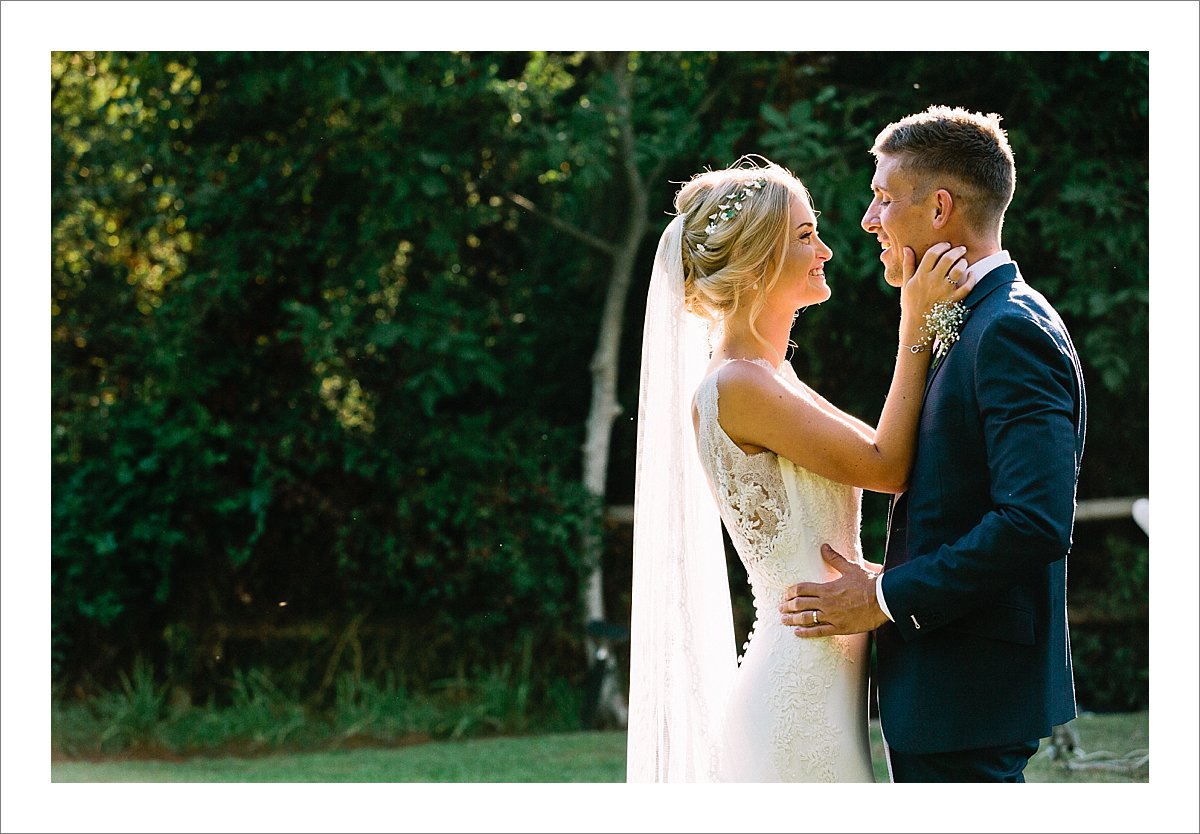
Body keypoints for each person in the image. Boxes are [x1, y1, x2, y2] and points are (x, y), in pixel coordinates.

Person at [625, 154, 975, 782]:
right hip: (795, 694)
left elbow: (877, 456)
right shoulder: (739, 385)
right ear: (758, 262)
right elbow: (887, 465)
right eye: (806, 235)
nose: (828, 252)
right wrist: (914, 326)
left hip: (822, 677)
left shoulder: (767, 376)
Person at [779, 106, 1087, 782]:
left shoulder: (1010, 329)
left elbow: (1033, 522)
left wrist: (885, 596)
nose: (868, 219)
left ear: (940, 207)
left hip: (970, 694)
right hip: (942, 693)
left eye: (883, 198)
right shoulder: (970, 318)